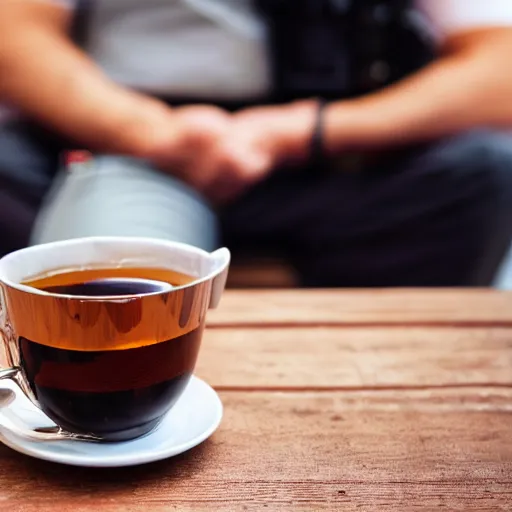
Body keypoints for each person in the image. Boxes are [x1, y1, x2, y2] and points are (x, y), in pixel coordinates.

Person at [0, 0, 512, 287]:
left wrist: (302, 132)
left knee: (483, 167)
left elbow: (500, 66)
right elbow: (15, 34)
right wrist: (148, 131)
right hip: (121, 144)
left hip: (340, 156)